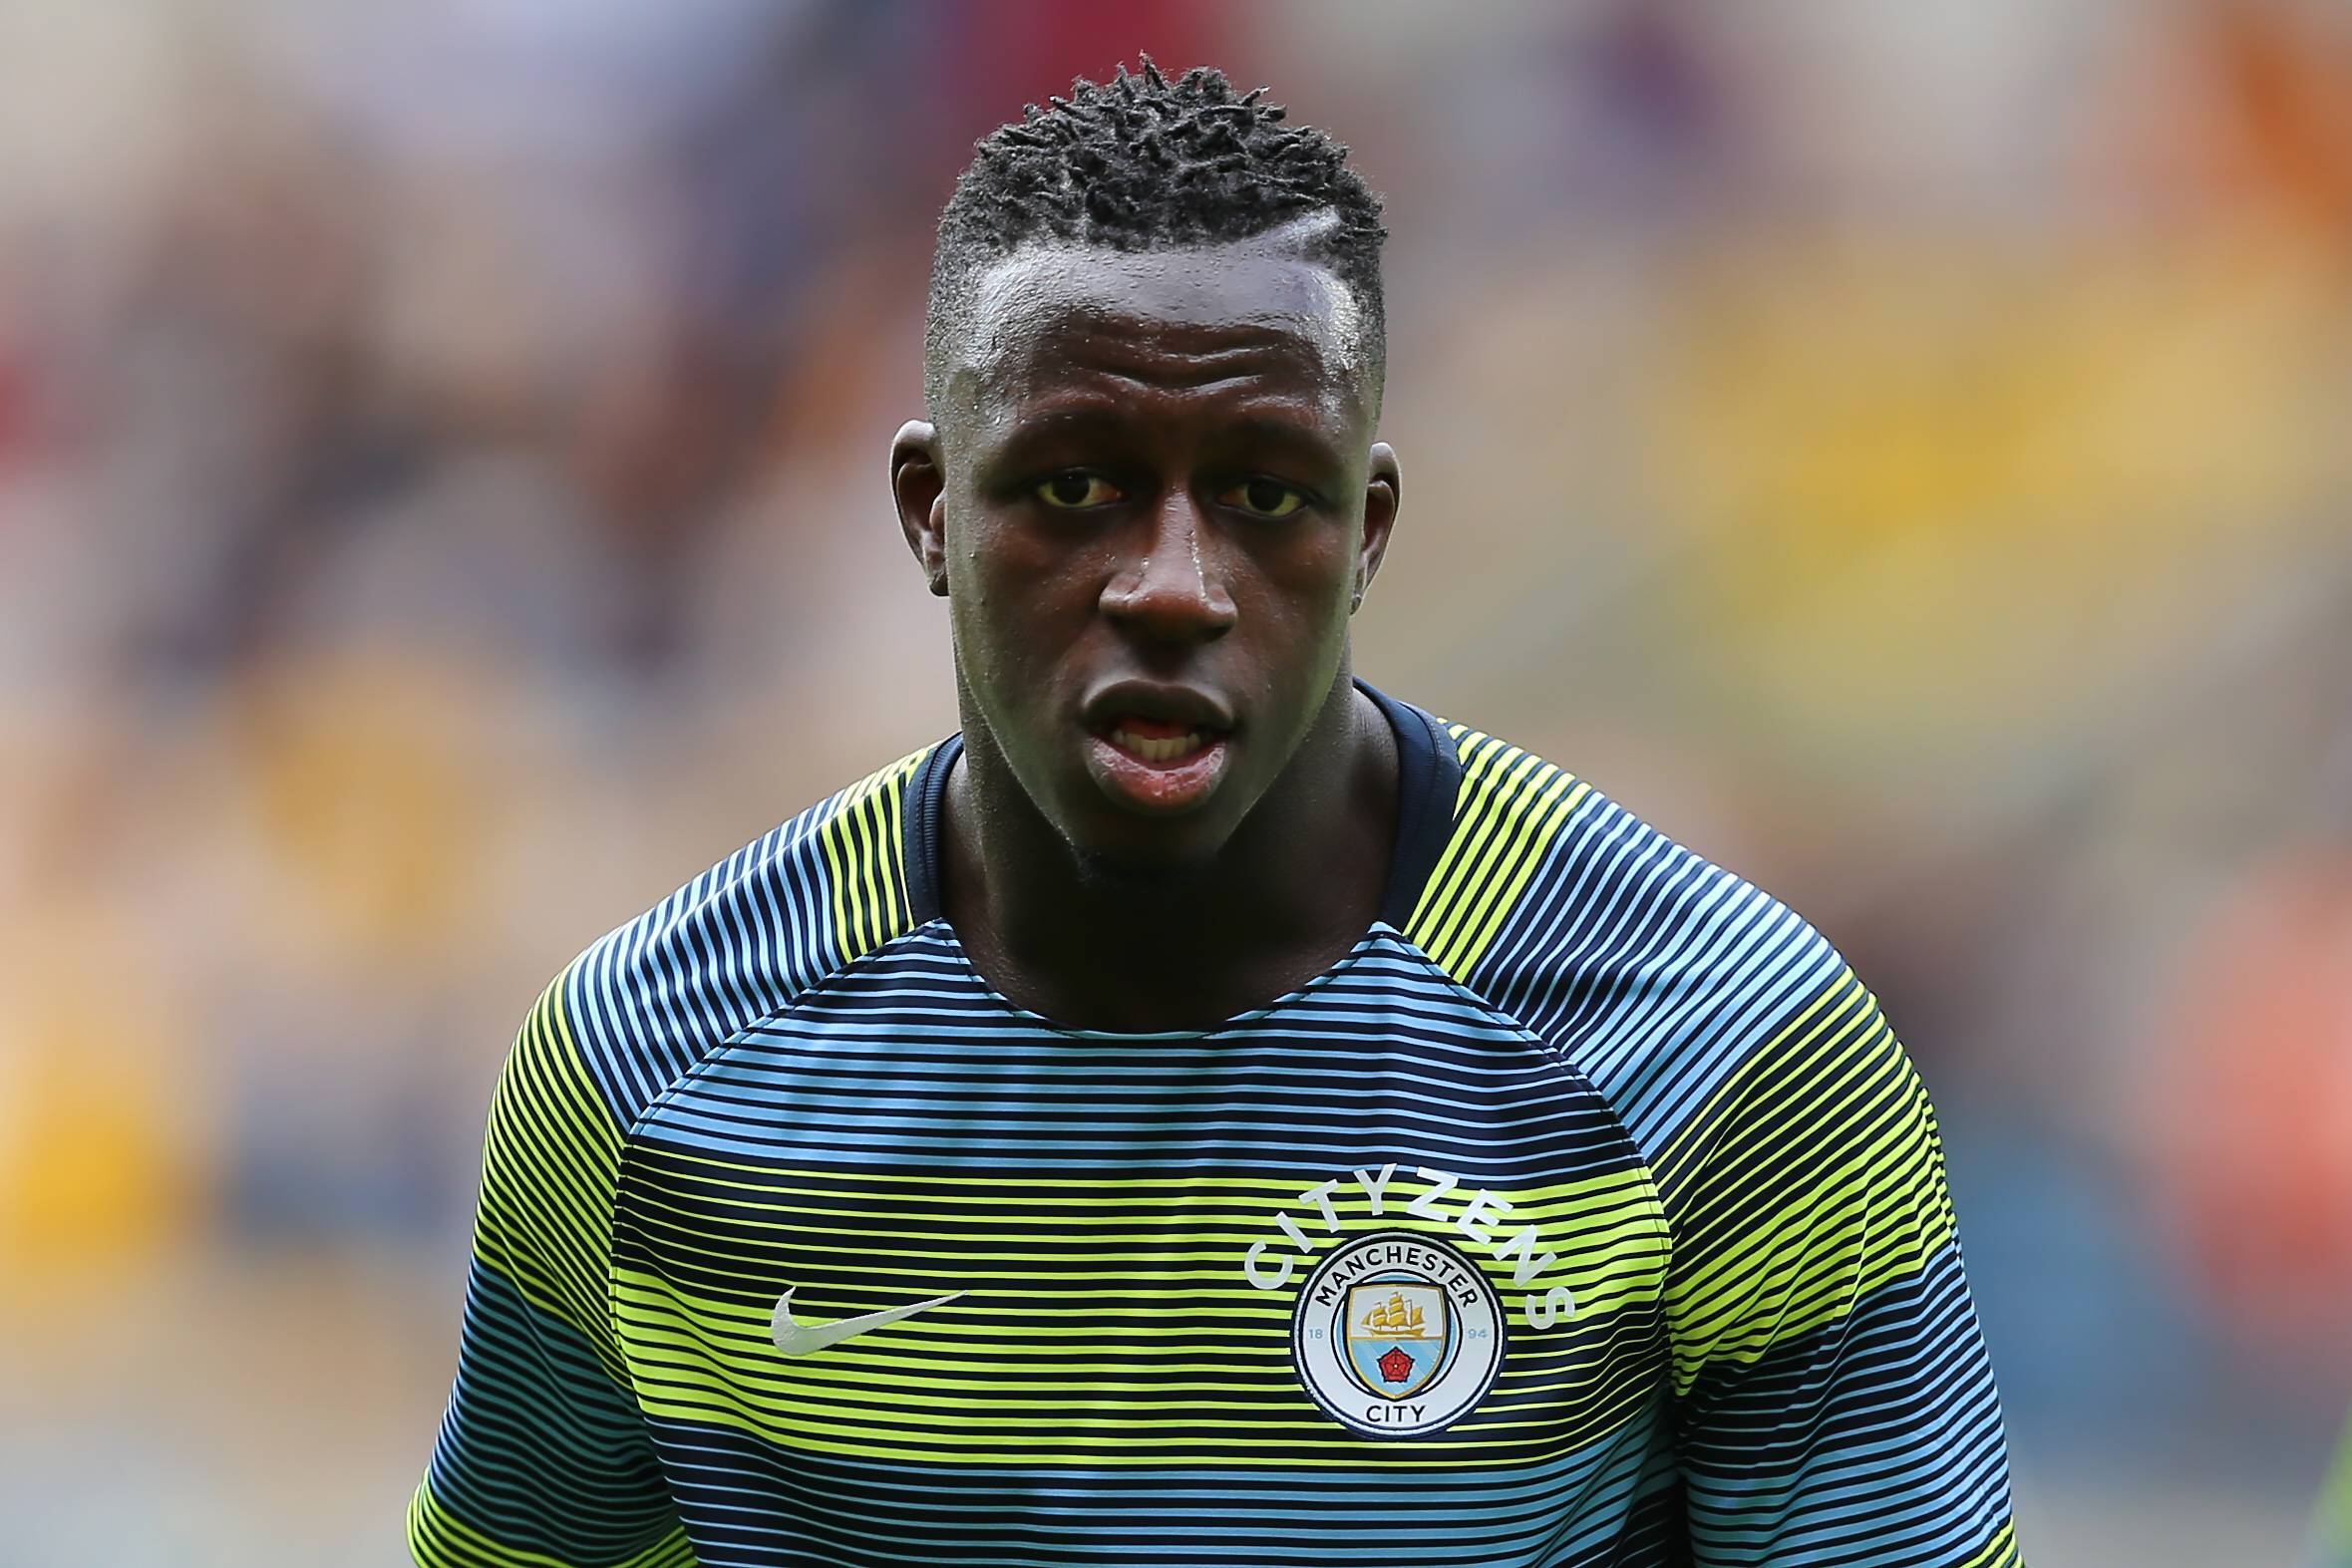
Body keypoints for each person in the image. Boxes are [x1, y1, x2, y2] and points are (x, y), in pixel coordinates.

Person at [410, 61, 2019, 1568]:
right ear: (931, 512)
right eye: (1073, 483)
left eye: (1263, 492)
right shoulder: (647, 1074)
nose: (1173, 584)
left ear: (1366, 530)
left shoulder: (1731, 1053)